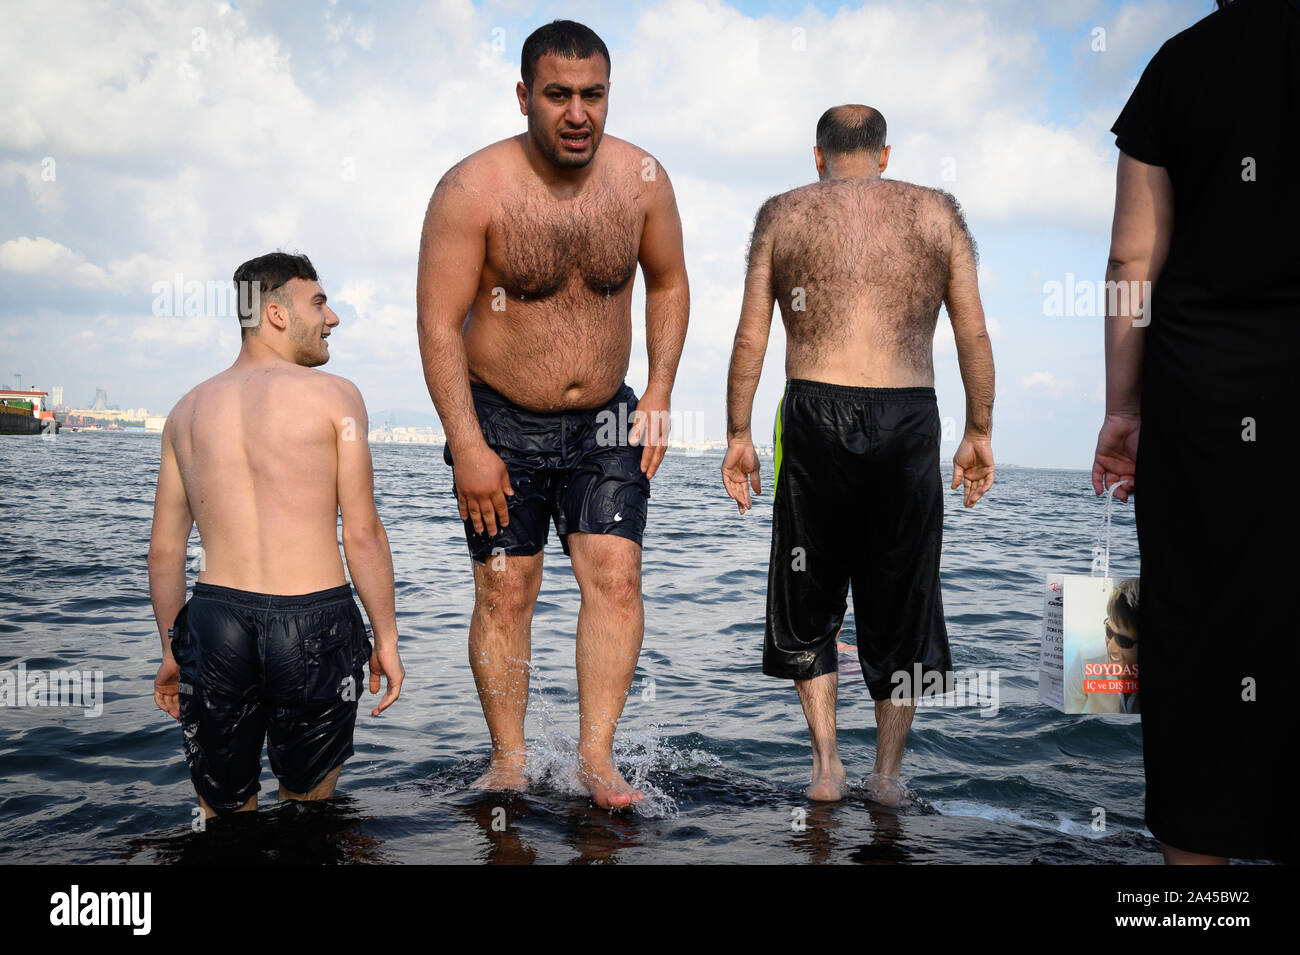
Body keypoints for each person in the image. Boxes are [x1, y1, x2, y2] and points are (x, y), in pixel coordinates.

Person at [415, 20, 689, 810]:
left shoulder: (642, 180)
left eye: (594, 94)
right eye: (559, 95)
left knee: (617, 574)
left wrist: (662, 389)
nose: (578, 113)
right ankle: (509, 758)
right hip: (497, 417)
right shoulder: (473, 188)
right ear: (525, 95)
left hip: (607, 416)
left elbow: (668, 283)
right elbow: (438, 322)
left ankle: (598, 760)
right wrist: (466, 441)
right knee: (507, 589)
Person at [722, 105, 995, 804]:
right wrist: (979, 430)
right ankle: (888, 775)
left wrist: (739, 435)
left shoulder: (783, 212)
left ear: (818, 156)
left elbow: (752, 335)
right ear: (884, 154)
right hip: (909, 414)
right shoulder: (937, 213)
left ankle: (825, 769)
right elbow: (973, 334)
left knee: (808, 599)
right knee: (901, 601)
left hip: (814, 412)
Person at [1094, 0, 1298, 864]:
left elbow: (1132, 262)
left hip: (1202, 400)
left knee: (1190, 630)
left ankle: (1196, 890)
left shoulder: (1179, 65)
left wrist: (1123, 409)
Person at [148, 252, 404, 818]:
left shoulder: (185, 411)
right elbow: (361, 532)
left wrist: (172, 649)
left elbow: (165, 550)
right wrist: (384, 637)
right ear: (276, 314)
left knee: (224, 813)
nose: (331, 317)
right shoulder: (336, 396)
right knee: (308, 815)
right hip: (313, 625)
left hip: (215, 625)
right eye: (318, 302)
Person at [1065, 579, 1140, 715]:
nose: (1111, 648)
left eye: (1123, 641)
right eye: (1108, 631)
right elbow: (1066, 716)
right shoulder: (1087, 659)